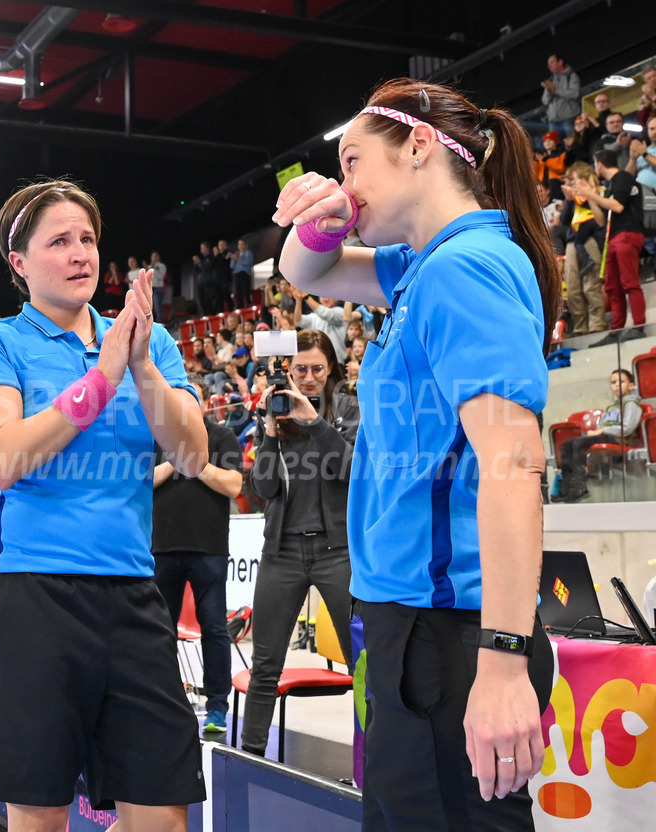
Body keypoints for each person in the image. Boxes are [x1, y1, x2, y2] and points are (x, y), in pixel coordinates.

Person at [274, 78, 560, 830]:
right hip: (415, 631)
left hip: (455, 637)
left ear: (421, 146)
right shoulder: (420, 269)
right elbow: (302, 273)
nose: (347, 182)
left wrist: (502, 661)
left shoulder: (464, 268)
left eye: (354, 160)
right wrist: (322, 214)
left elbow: (514, 461)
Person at [0, 179, 208, 832]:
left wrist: (142, 366)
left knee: (162, 816)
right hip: (31, 601)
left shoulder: (150, 342)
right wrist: (102, 378)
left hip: (131, 597)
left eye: (88, 239)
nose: (80, 253)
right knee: (39, 817)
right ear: (19, 262)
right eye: (59, 241)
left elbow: (192, 456)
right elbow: (4, 457)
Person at [241, 329, 359, 757]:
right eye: (300, 369)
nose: (308, 378)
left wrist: (314, 421)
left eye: (317, 369)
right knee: (265, 668)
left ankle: (373, 765)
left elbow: (350, 469)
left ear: (331, 370)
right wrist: (271, 431)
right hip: (282, 552)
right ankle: (249, 761)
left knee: (361, 665)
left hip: (338, 552)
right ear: (287, 369)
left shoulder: (347, 409)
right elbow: (264, 488)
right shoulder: (275, 410)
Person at [152, 373, 243, 734]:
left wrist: (197, 464)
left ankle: (218, 707)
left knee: (215, 629)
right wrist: (176, 460)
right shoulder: (156, 438)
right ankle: (162, 701)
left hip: (208, 548)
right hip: (160, 547)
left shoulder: (222, 437)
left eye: (191, 397)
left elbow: (235, 485)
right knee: (159, 631)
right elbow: (140, 482)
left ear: (202, 402)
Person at [578, 149, 646, 337]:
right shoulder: (610, 186)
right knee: (612, 286)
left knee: (629, 282)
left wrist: (593, 195)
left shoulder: (623, 177)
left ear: (599, 163)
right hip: (614, 237)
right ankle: (616, 331)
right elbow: (601, 221)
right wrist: (590, 195)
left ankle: (639, 326)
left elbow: (617, 206)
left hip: (628, 233)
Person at [552, 369, 643, 504]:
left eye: (621, 381)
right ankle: (567, 486)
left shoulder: (632, 405)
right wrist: (600, 431)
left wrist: (602, 431)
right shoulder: (611, 407)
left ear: (631, 385)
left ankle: (580, 485)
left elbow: (628, 428)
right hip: (606, 435)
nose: (617, 385)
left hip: (618, 439)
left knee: (578, 444)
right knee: (566, 444)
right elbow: (602, 426)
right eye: (613, 382)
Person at [559, 162, 607, 335]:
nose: (571, 184)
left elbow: (601, 220)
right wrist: (568, 199)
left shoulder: (600, 192)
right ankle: (580, 326)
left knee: (590, 285)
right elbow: (564, 220)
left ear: (584, 177)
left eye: (573, 180)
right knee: (572, 288)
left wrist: (584, 195)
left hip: (591, 241)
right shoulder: (573, 198)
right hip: (572, 243)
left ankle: (597, 324)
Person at [541, 54, 580, 138]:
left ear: (560, 62)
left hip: (569, 118)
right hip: (553, 120)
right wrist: (548, 90)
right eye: (548, 64)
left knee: (572, 142)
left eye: (552, 62)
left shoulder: (571, 76)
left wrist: (555, 90)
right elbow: (545, 101)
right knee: (554, 145)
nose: (549, 66)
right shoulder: (551, 80)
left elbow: (575, 94)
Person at [230, 238, 255, 309]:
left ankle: (249, 303)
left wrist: (240, 258)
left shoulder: (248, 253)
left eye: (241, 244)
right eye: (239, 244)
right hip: (236, 274)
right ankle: (239, 306)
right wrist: (234, 259)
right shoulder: (237, 253)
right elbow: (232, 266)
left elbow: (248, 263)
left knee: (245, 289)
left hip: (244, 273)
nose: (240, 246)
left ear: (245, 245)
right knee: (238, 291)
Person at [150, 251, 168, 323]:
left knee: (158, 308)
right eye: (152, 256)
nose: (153, 258)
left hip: (158, 289)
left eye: (155, 256)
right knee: (151, 309)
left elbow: (160, 276)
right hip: (151, 289)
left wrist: (154, 268)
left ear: (158, 257)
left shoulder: (161, 266)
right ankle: (152, 326)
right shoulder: (150, 267)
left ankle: (160, 325)